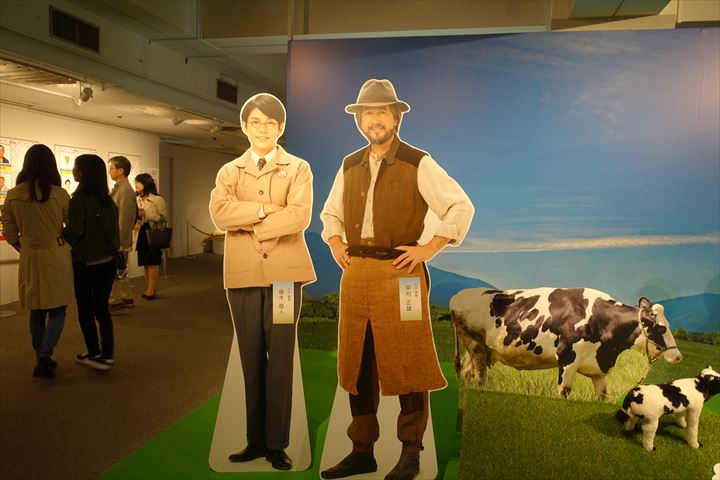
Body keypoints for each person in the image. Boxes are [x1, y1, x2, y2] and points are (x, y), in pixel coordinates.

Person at [319, 79, 474, 480]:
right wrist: (335, 241)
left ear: (395, 118)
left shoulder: (418, 161)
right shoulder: (349, 164)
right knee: (358, 363)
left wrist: (429, 248)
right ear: (360, 120)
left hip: (401, 273)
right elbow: (330, 213)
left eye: (382, 112)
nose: (374, 120)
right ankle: (362, 451)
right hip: (357, 275)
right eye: (367, 113)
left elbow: (459, 206)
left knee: (408, 361)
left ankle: (410, 453)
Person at [209, 93, 316, 471]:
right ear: (244, 126)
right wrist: (263, 209)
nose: (263, 129)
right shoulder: (229, 171)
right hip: (242, 276)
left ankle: (276, 444)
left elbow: (299, 216)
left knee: (281, 359)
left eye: (271, 123)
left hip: (285, 278)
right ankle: (254, 440)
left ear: (281, 127)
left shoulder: (299, 168)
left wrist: (249, 224)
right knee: (250, 359)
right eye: (255, 122)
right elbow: (219, 215)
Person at [0, 144, 74, 379]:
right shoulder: (59, 194)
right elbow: (71, 226)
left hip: (30, 255)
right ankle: (45, 354)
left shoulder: (13, 194)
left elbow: (9, 231)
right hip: (56, 254)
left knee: (36, 309)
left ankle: (40, 355)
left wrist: (24, 248)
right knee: (58, 309)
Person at [63, 154, 120, 371]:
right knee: (102, 309)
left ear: (83, 172)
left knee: (85, 309)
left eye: (76, 167)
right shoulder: (108, 201)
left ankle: (94, 351)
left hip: (85, 263)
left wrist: (59, 231)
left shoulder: (78, 200)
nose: (73, 171)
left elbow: (75, 233)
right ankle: (107, 355)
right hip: (107, 262)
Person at [108, 156, 137, 309]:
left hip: (119, 238)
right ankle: (126, 297)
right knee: (121, 268)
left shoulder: (125, 190)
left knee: (116, 269)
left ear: (121, 171)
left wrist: (119, 242)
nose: (109, 171)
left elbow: (124, 220)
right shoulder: (120, 188)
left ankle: (115, 300)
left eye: (111, 168)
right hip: (118, 237)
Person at [134, 173, 167, 299]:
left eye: (138, 182)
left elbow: (164, 218)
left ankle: (151, 290)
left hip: (153, 233)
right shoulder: (137, 199)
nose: (136, 185)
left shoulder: (158, 200)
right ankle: (149, 288)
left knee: (152, 262)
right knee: (145, 263)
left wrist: (147, 214)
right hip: (141, 232)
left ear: (146, 183)